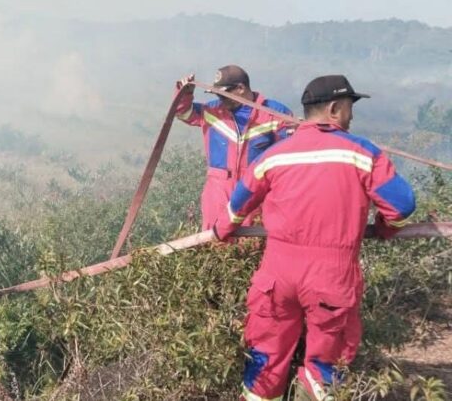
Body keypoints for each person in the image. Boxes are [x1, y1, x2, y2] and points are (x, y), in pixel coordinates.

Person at [213, 75, 416, 400]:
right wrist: (385, 228)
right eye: (350, 108)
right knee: (325, 369)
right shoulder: (363, 153)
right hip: (331, 278)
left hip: (276, 277)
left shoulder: (274, 155)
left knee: (264, 363)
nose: (351, 116)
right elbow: (402, 207)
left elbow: (236, 207)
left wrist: (220, 232)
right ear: (335, 108)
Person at [175, 65, 293, 230]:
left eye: (224, 94)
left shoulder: (275, 113)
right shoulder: (212, 110)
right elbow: (183, 113)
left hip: (255, 193)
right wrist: (185, 93)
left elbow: (290, 155)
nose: (220, 98)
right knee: (215, 245)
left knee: (250, 246)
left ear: (240, 88)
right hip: (218, 192)